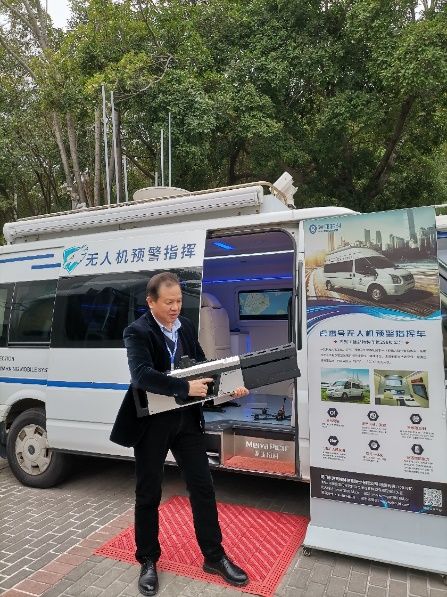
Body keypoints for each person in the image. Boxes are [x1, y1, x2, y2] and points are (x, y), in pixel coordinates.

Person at [110, 272, 249, 596]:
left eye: (179, 302)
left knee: (203, 487)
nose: (175, 308)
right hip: (152, 424)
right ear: (151, 302)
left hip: (186, 422)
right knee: (148, 493)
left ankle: (214, 556)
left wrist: (228, 387)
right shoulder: (137, 331)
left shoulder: (185, 326)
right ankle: (148, 560)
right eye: (168, 302)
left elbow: (201, 366)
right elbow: (142, 375)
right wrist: (185, 387)